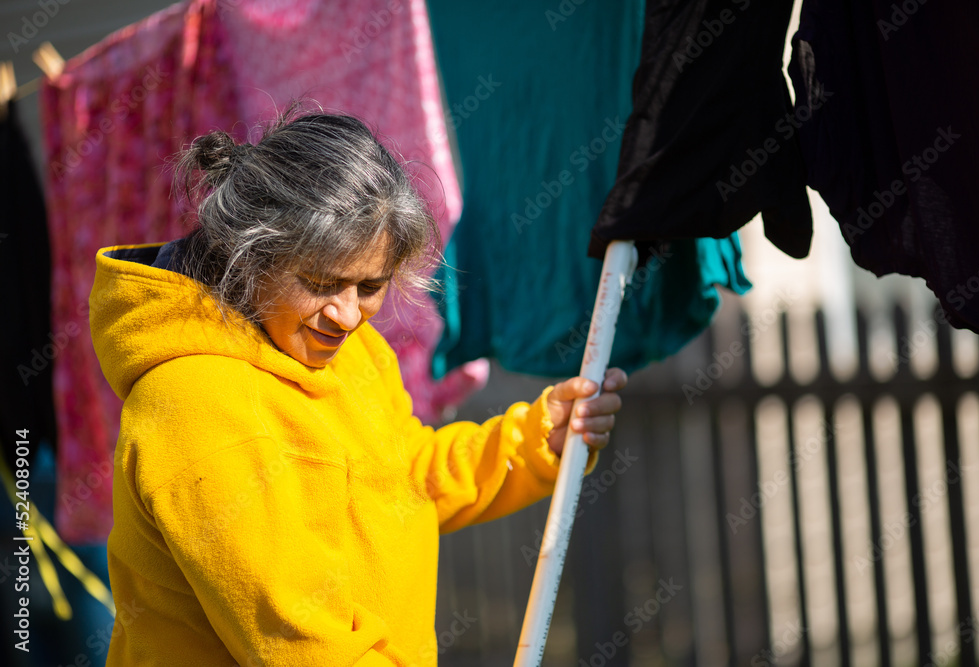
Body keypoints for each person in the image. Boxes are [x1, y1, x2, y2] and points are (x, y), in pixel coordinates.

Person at [89, 110, 627, 666]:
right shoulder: (195, 402)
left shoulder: (345, 349)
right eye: (321, 283)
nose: (347, 316)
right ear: (249, 256)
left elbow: (404, 479)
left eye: (371, 286)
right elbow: (299, 638)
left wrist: (539, 439)